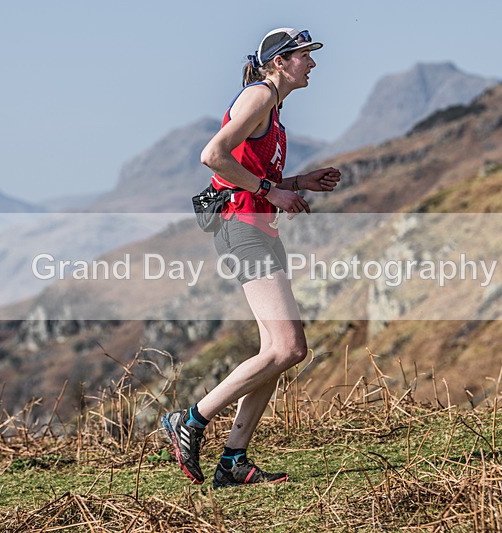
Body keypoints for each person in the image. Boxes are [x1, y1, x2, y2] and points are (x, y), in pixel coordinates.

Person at [161, 27, 341, 489]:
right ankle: (191, 420)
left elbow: (251, 171)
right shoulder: (258, 97)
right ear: (279, 62)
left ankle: (233, 461)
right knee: (290, 348)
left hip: (258, 230)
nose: (313, 64)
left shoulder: (272, 110)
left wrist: (299, 183)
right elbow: (213, 156)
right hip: (242, 231)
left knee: (275, 353)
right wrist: (271, 191)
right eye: (305, 56)